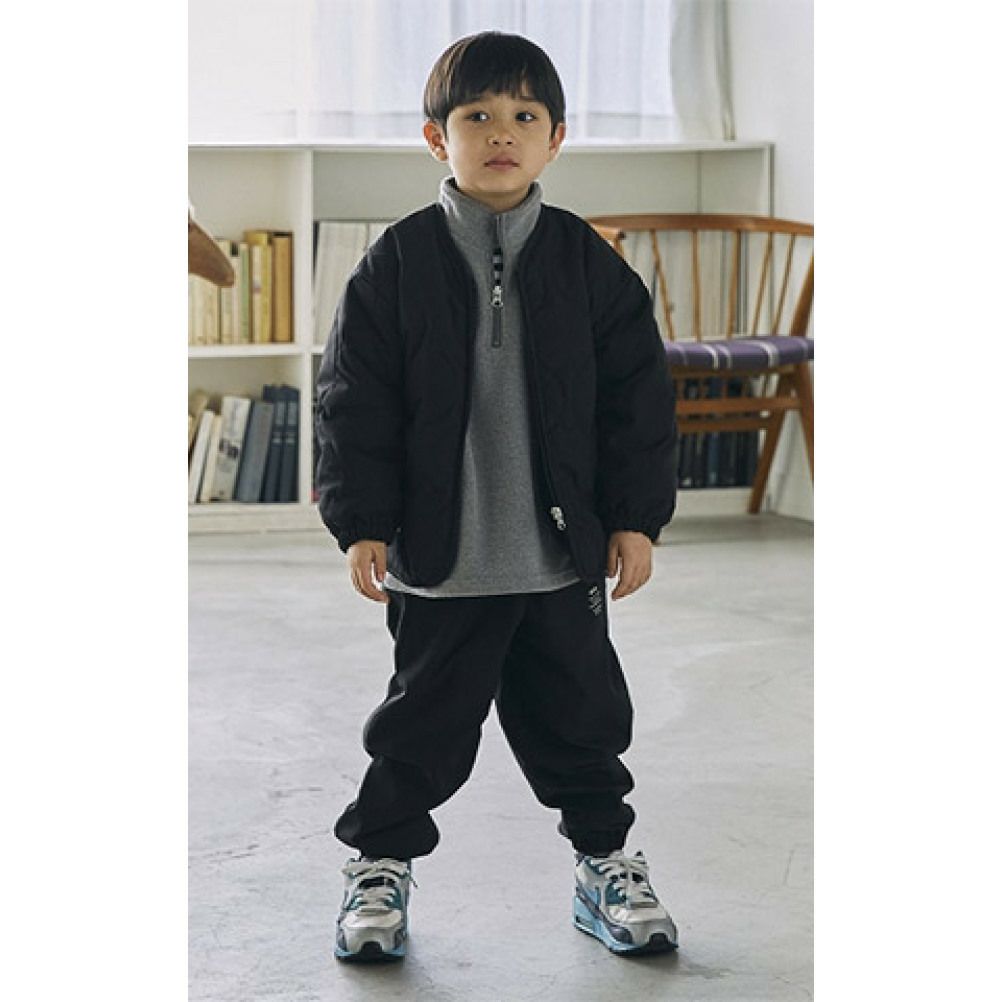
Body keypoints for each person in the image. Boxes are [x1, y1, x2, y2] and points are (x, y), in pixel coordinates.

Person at [315, 30, 679, 962]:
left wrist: (635, 518)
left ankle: (605, 865)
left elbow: (637, 400)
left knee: (583, 727)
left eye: (524, 115)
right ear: (437, 138)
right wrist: (363, 523)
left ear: (557, 138)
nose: (502, 132)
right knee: (419, 732)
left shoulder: (587, 262)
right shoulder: (395, 263)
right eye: (477, 115)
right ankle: (379, 868)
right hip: (444, 558)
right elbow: (354, 400)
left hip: (560, 556)